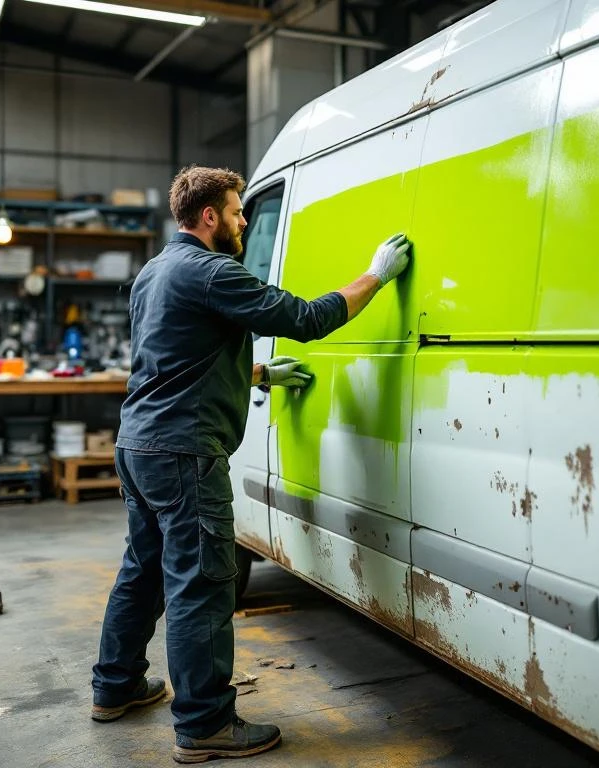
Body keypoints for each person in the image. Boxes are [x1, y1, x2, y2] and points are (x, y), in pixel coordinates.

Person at [89, 164, 412, 763]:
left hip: (138, 446)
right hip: (184, 452)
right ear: (209, 216)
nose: (243, 221)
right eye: (238, 211)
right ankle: (206, 724)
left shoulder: (153, 272)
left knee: (145, 568)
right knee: (202, 586)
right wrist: (376, 275)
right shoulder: (213, 272)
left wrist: (259, 373)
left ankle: (115, 686)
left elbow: (177, 360)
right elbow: (308, 319)